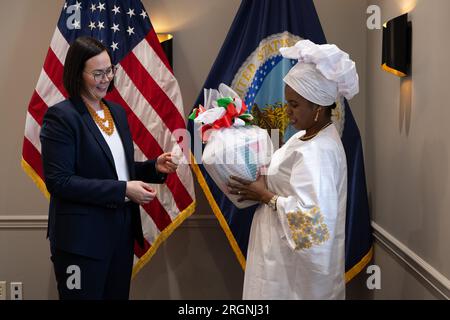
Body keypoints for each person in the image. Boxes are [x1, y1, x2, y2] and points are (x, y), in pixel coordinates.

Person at [40, 36, 178, 300]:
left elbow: (115, 170)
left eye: (110, 70)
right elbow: (60, 181)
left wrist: (153, 167)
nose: (106, 78)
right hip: (80, 243)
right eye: (98, 73)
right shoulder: (61, 117)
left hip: (119, 235)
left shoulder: (116, 112)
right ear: (77, 73)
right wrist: (124, 189)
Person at [228, 39, 359, 299]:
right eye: (287, 102)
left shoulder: (320, 152)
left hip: (295, 275)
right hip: (277, 253)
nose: (287, 111)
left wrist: (265, 196)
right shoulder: (304, 136)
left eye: (295, 105)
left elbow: (314, 228)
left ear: (318, 108)